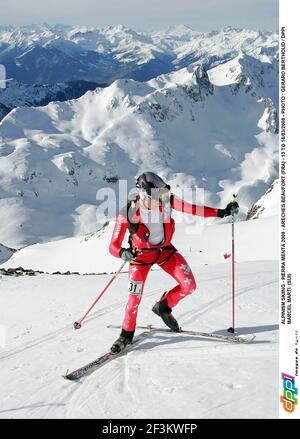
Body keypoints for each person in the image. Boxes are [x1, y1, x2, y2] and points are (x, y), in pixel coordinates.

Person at [109, 172, 239, 353]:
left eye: (162, 194)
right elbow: (113, 246)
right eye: (156, 196)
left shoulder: (166, 200)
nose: (161, 200)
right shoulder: (128, 213)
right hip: (140, 258)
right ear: (144, 194)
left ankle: (163, 307)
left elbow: (192, 209)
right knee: (134, 299)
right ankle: (126, 335)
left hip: (164, 251)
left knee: (189, 286)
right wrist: (123, 252)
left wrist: (221, 212)